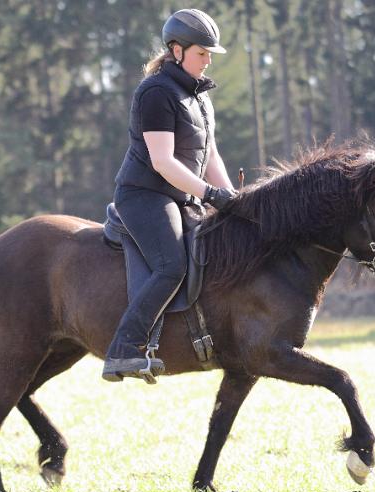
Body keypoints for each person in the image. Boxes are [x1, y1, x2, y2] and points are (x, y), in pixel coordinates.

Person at [102, 9, 237, 382]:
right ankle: (124, 349)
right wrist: (211, 194)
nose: (208, 60)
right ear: (176, 50)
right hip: (145, 195)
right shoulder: (156, 93)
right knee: (171, 266)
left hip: (182, 196)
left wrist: (230, 197)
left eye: (210, 54)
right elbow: (162, 162)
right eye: (202, 53)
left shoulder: (199, 97)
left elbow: (209, 154)